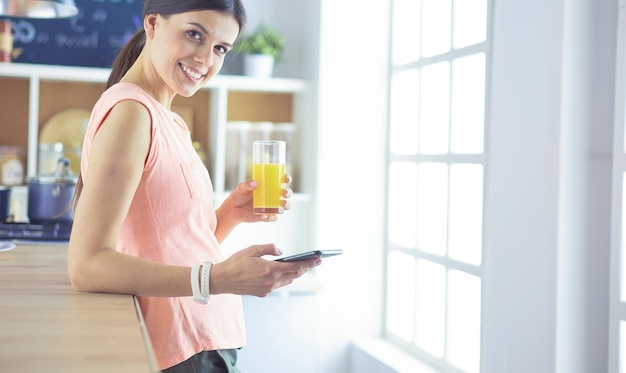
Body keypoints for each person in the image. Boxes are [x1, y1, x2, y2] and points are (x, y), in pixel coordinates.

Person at [66, 1, 321, 372]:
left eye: (220, 48)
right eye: (194, 35)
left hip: (205, 341)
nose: (206, 59)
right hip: (177, 350)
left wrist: (231, 213)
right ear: (153, 24)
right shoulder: (131, 114)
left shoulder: (168, 119)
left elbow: (171, 245)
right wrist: (215, 279)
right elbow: (87, 266)